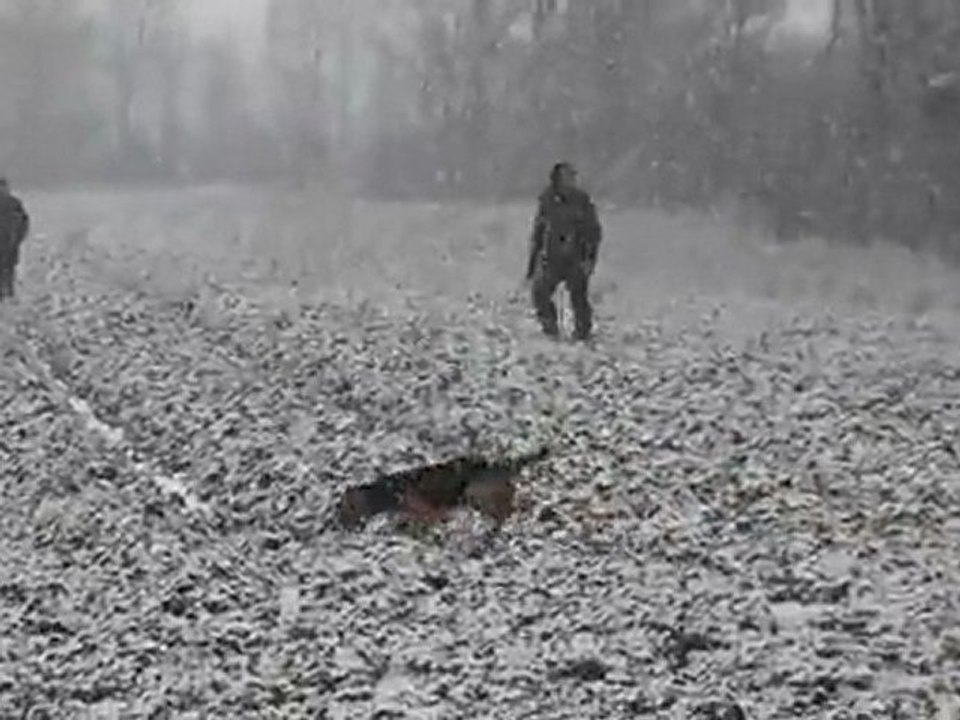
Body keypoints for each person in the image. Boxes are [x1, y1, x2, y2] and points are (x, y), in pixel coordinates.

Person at [525, 162, 602, 341]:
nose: (570, 180)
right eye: (566, 177)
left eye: (572, 176)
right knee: (540, 292)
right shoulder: (547, 199)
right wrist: (532, 263)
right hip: (553, 257)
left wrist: (590, 258)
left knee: (578, 296)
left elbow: (593, 231)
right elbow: (539, 231)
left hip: (576, 256)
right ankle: (550, 328)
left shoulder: (582, 200)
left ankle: (583, 332)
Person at [0, 177, 30, 301]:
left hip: (9, 239)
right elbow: (24, 222)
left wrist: (19, 237)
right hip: (10, 240)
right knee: (8, 266)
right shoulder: (14, 202)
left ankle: (6, 290)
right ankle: (7, 290)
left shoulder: (14, 203)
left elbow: (24, 222)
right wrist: (19, 237)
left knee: (8, 266)